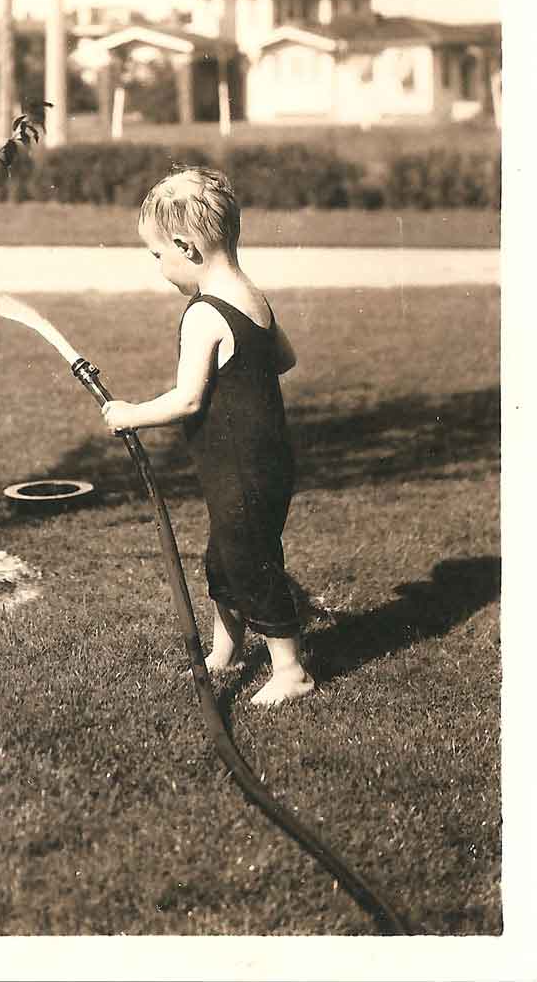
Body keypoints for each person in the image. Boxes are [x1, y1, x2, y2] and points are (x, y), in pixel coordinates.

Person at [101, 166, 314, 707]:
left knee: (250, 559)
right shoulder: (252, 296)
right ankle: (227, 649)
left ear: (185, 246)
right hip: (263, 459)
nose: (158, 266)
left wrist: (129, 414)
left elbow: (189, 399)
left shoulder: (203, 314)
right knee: (225, 552)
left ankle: (290, 670)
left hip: (241, 464)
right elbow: (283, 357)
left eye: (156, 254)